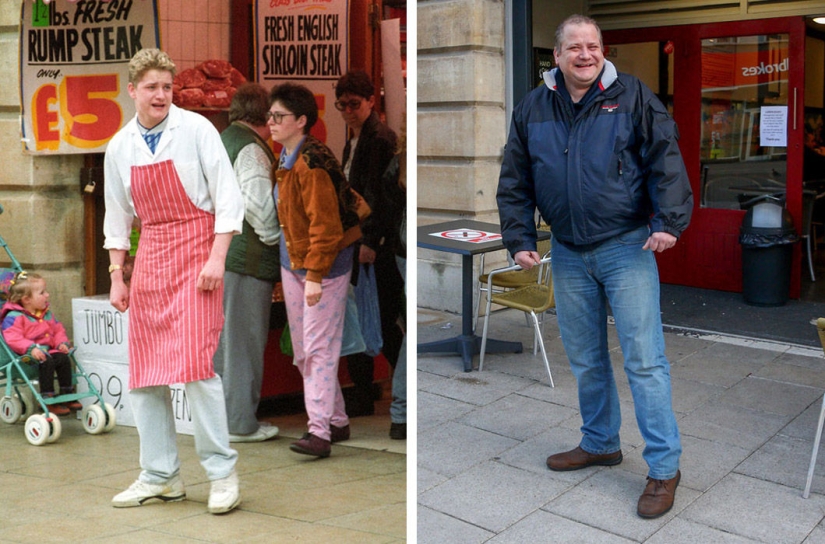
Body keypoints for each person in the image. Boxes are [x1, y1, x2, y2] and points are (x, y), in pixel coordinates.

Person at [497, 15, 693, 519]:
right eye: (575, 47)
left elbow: (666, 159)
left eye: (594, 46)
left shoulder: (632, 96)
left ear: (602, 51)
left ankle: (664, 468)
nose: (586, 55)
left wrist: (668, 220)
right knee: (585, 360)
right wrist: (518, 237)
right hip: (566, 251)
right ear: (557, 56)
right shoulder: (534, 107)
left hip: (627, 247)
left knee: (645, 362)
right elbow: (515, 178)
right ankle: (601, 443)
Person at [103, 48, 244, 515]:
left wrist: (217, 259)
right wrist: (117, 276)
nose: (161, 94)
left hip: (199, 253)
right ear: (132, 91)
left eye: (166, 86)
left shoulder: (198, 129)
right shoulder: (119, 145)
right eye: (152, 87)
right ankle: (160, 476)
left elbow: (227, 196)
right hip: (151, 258)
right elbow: (118, 216)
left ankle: (222, 474)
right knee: (145, 375)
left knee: (199, 370)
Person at [269, 82, 362, 458]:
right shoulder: (288, 156)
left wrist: (314, 277)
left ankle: (319, 431)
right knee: (308, 348)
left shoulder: (310, 162)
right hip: (294, 261)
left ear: (301, 120)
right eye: (270, 116)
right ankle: (336, 420)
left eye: (279, 117)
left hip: (321, 267)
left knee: (319, 347)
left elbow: (325, 227)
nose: (271, 122)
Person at [212, 83, 281, 443]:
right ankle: (240, 422)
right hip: (247, 260)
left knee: (225, 343)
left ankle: (224, 420)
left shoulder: (223, 140)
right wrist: (277, 242)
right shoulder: (252, 151)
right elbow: (259, 207)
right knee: (243, 343)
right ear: (264, 115)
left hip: (223, 258)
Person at [335, 70, 405, 417]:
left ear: (371, 102)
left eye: (354, 104)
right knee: (370, 318)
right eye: (342, 104)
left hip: (372, 243)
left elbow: (381, 196)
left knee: (377, 318)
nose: (348, 110)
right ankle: (367, 392)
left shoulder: (378, 138)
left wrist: (371, 239)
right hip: (363, 239)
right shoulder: (358, 135)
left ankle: (376, 392)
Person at [1, 272, 82, 416]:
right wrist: (31, 348)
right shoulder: (14, 317)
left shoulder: (46, 314)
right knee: (47, 361)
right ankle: (46, 397)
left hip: (48, 351)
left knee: (63, 358)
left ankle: (66, 392)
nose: (47, 295)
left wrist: (61, 343)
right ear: (27, 299)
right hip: (27, 358)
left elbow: (57, 330)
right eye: (42, 293)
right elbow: (13, 338)